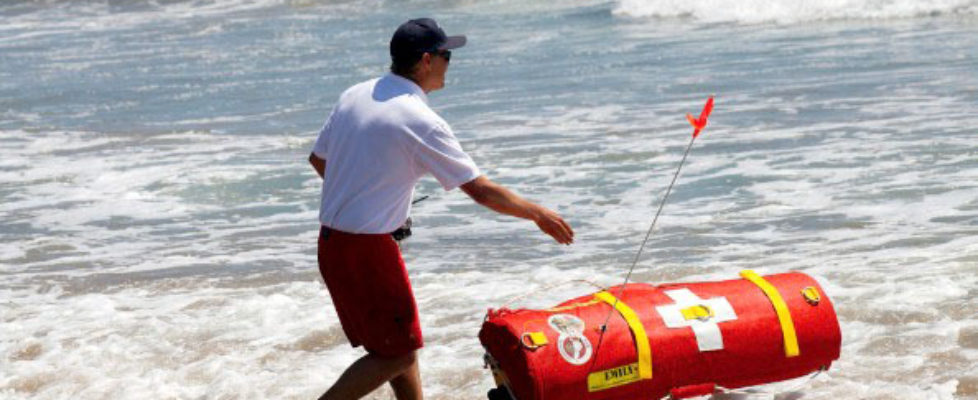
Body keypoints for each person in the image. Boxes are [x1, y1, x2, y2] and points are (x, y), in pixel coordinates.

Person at [308, 18, 574, 400]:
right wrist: (539, 214)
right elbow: (480, 191)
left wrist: (368, 201)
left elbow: (320, 161)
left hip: (333, 244)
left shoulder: (356, 94)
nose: (451, 63)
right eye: (448, 55)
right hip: (366, 252)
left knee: (398, 346)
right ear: (427, 61)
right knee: (397, 353)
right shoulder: (421, 120)